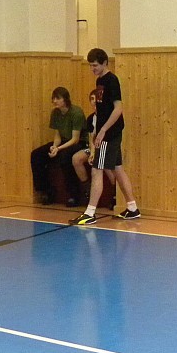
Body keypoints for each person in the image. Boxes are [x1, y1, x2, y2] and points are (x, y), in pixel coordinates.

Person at [69, 48, 140, 225]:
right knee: (117, 168)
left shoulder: (111, 80)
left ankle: (90, 212)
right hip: (106, 132)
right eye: (90, 65)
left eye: (95, 65)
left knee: (96, 170)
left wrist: (103, 131)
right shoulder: (99, 80)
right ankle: (132, 208)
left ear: (105, 63)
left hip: (109, 134)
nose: (92, 68)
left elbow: (118, 109)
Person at [30, 86, 86, 205]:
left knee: (65, 157)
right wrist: (55, 146)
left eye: (58, 98)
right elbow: (57, 135)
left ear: (65, 99)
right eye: (53, 98)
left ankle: (74, 195)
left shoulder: (76, 112)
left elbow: (75, 139)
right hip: (63, 141)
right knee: (36, 154)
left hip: (78, 142)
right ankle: (46, 191)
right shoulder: (55, 113)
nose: (54, 101)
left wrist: (59, 149)